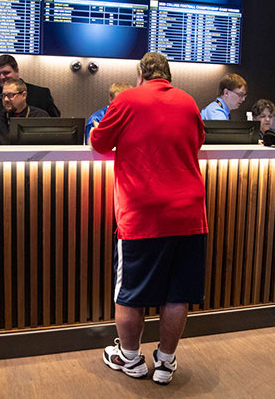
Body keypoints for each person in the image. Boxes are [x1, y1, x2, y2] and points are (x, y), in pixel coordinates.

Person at [90, 52, 207, 385]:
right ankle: (166, 363)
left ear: (141, 74)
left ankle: (130, 359)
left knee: (131, 292)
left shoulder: (127, 99)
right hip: (189, 212)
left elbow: (99, 143)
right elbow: (197, 141)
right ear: (168, 77)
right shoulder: (188, 101)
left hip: (143, 213)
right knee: (178, 293)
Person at [0, 54, 60, 125]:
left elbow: (55, 124)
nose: (2, 77)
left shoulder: (41, 95)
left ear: (17, 71)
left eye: (6, 73)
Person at [0, 78, 49, 145]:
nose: (5, 99)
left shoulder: (40, 117)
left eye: (10, 95)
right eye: (3, 95)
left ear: (24, 95)